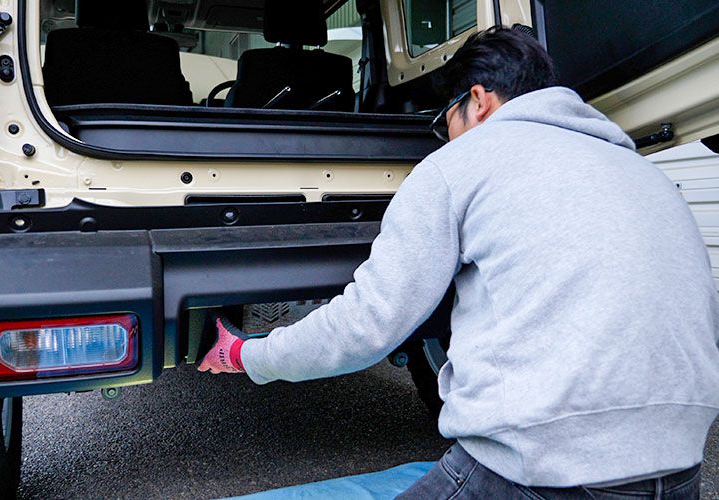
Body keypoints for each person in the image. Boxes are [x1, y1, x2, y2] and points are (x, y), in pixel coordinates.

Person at [198, 27, 719, 499]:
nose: (444, 136)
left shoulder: (459, 165)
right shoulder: (642, 171)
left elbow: (364, 326)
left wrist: (248, 356)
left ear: (478, 100)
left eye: (443, 120)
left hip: (543, 471)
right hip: (680, 467)